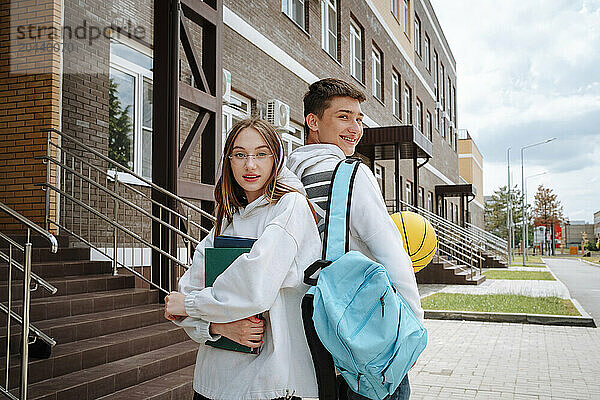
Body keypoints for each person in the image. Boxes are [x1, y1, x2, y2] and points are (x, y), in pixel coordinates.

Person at [287, 78, 424, 400]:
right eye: (344, 116)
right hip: (359, 331)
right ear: (313, 121)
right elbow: (391, 255)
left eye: (359, 119)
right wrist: (413, 329)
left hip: (305, 328)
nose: (355, 128)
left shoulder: (284, 176)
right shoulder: (351, 174)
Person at [164, 118, 320, 400]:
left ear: (276, 159)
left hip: (268, 385)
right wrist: (216, 325)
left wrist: (190, 305)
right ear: (229, 161)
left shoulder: (290, 207)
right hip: (210, 383)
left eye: (261, 154)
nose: (250, 165)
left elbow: (254, 286)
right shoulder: (226, 220)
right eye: (240, 154)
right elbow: (186, 294)